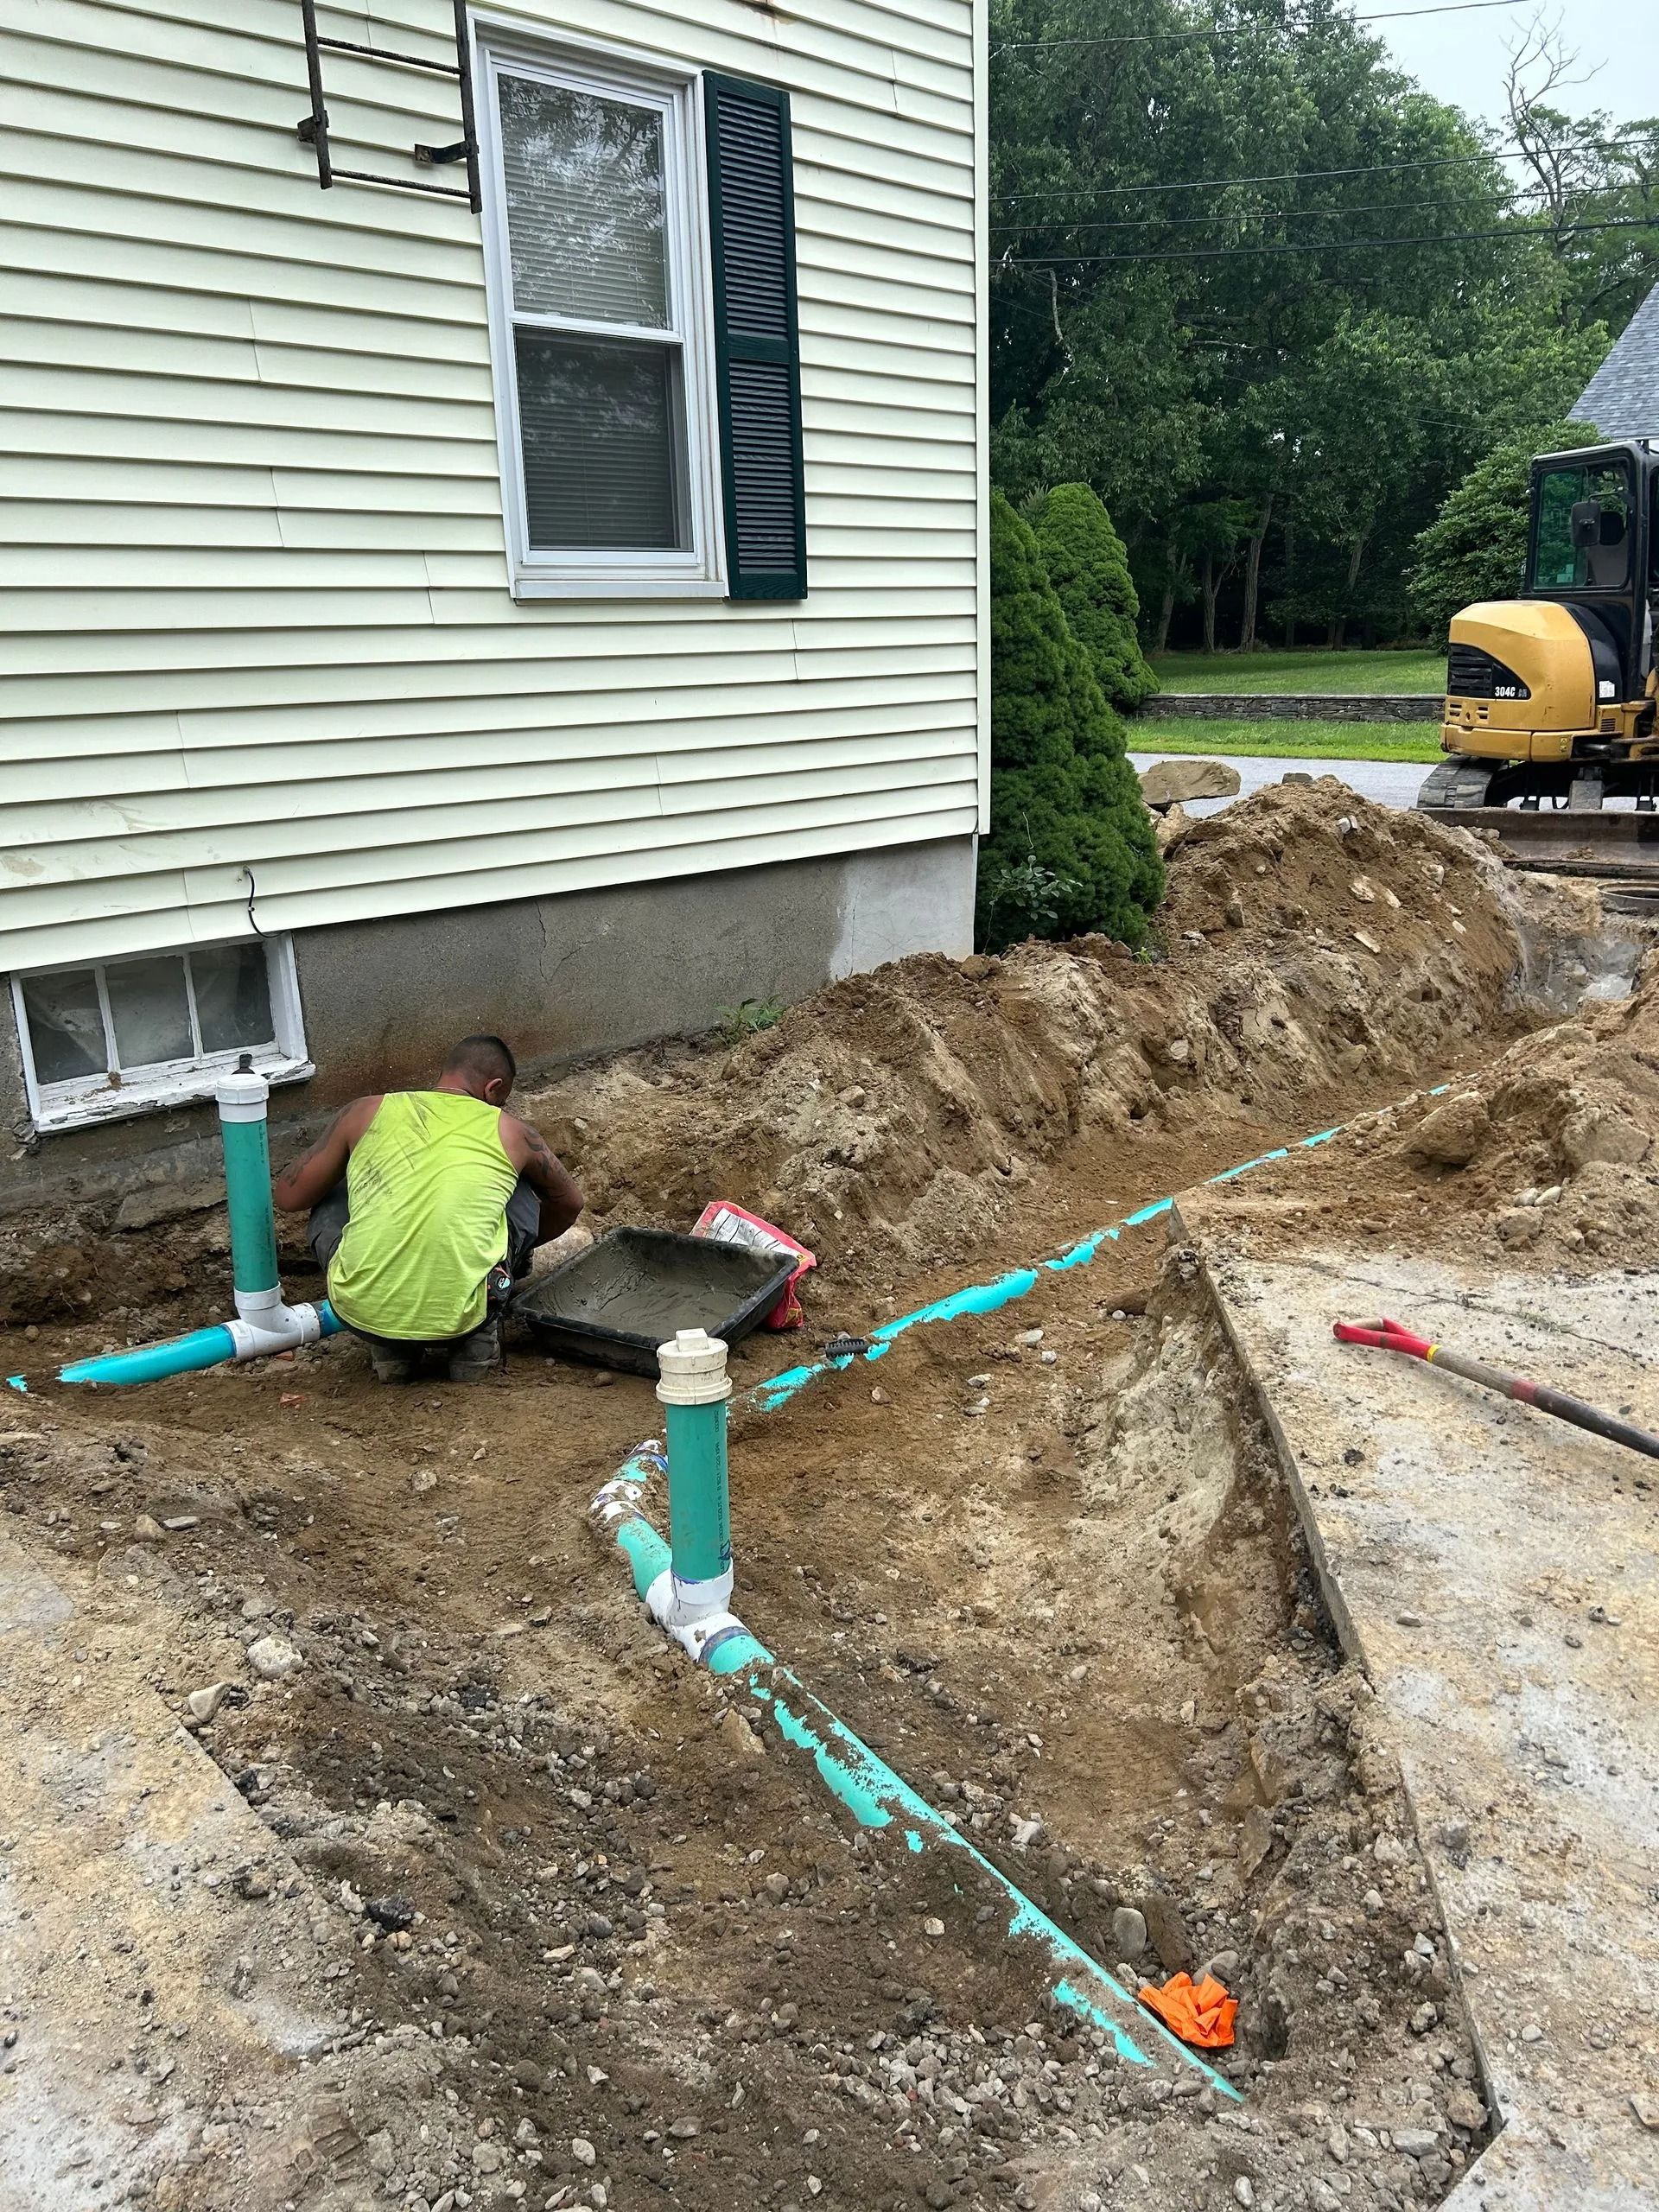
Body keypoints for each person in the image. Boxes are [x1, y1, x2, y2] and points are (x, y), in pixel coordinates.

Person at [272, 1034, 582, 1382]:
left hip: (361, 1315)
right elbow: (570, 1203)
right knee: (518, 1186)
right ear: (493, 1089)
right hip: (470, 1315)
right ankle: (475, 1340)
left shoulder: (363, 1111)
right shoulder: (514, 1134)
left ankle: (392, 1349)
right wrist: (507, 1255)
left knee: (333, 1190)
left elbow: (289, 1198)